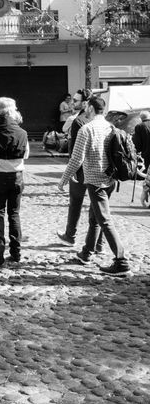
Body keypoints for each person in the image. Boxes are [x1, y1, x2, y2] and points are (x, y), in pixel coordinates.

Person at [58, 96, 131, 276]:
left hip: (95, 180)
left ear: (90, 108)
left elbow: (76, 159)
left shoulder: (86, 129)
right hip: (111, 179)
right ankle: (87, 253)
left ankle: (121, 261)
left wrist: (64, 179)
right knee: (95, 218)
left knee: (104, 220)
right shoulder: (111, 127)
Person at [0, 97, 29, 267]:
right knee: (14, 213)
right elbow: (25, 155)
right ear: (12, 110)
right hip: (16, 175)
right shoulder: (22, 133)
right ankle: (16, 251)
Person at [56, 89, 102, 251]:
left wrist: (70, 173)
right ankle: (99, 244)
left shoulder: (79, 121)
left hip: (82, 170)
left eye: (75, 101)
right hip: (100, 169)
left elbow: (75, 151)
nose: (72, 103)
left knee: (75, 203)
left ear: (85, 103)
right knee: (98, 207)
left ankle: (70, 235)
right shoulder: (103, 121)